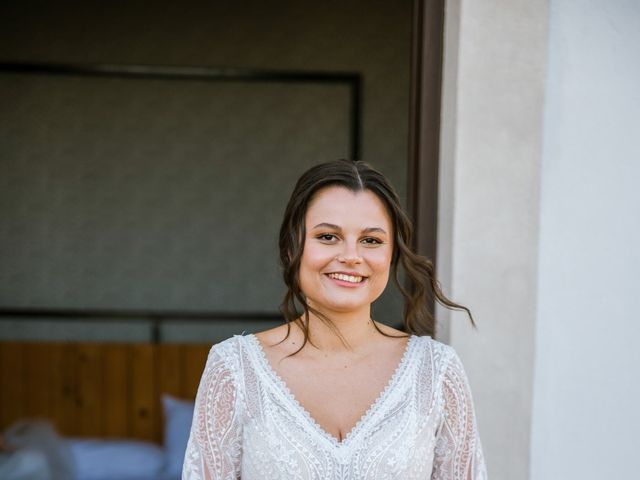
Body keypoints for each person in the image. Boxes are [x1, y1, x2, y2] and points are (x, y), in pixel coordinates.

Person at [183, 159, 487, 479]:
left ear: (391, 255)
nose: (351, 256)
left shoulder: (436, 371)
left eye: (371, 240)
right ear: (292, 248)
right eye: (328, 236)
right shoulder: (235, 368)